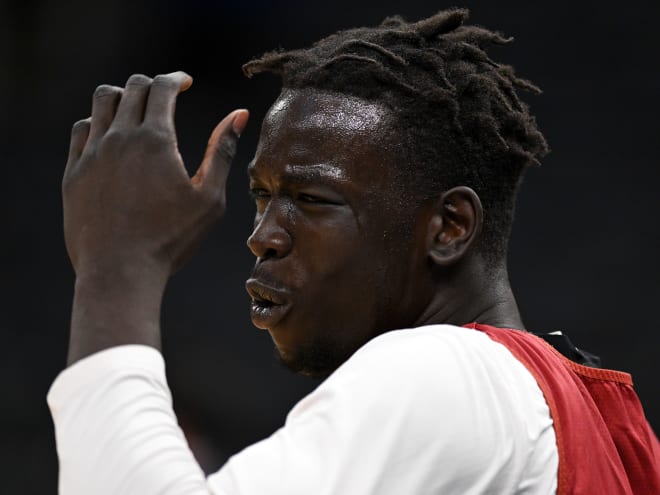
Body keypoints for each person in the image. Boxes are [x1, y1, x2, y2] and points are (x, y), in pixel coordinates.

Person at [48, 8, 659, 494]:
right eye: (262, 196)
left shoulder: (444, 374)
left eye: (311, 200)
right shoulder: (581, 412)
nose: (263, 235)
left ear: (449, 227)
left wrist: (116, 263)